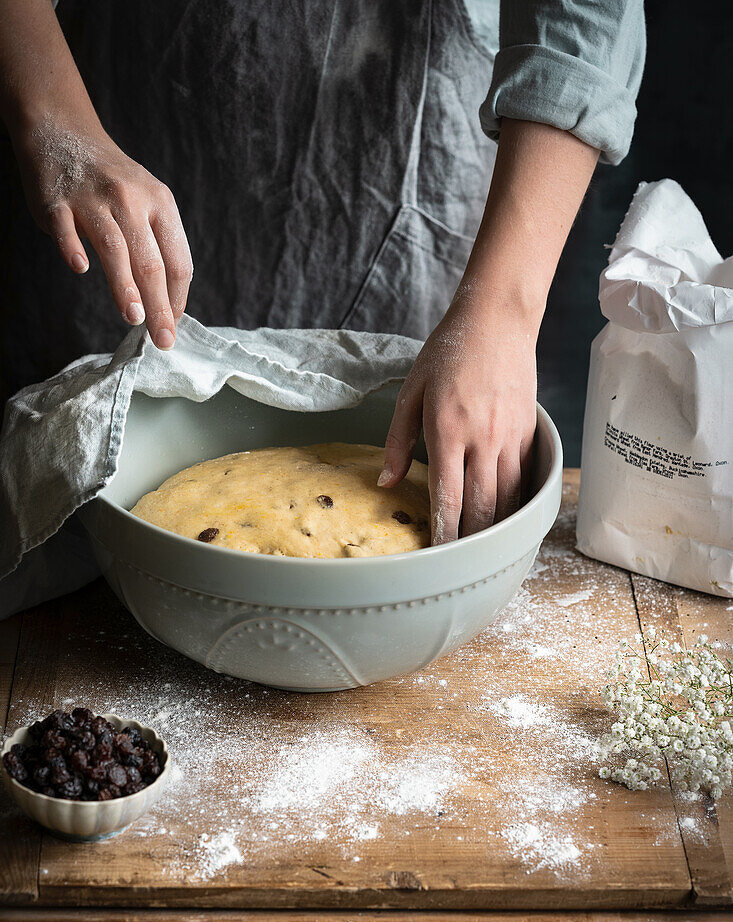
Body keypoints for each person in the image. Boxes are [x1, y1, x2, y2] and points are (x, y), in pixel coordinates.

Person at [0, 0, 644, 543]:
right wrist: (54, 116)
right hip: (120, 106)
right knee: (77, 478)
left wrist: (501, 311)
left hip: (406, 134)